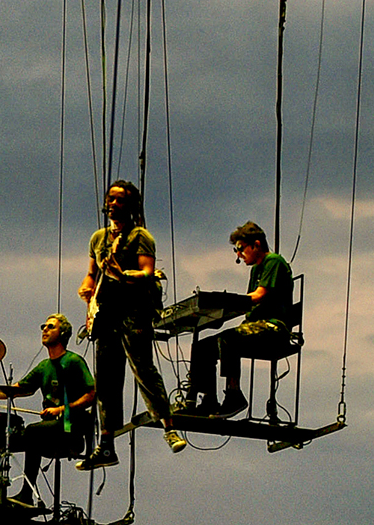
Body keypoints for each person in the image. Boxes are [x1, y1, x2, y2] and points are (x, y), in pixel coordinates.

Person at [78, 179, 181, 458]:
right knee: (107, 380)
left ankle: (169, 427)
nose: (113, 204)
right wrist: (87, 287)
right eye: (110, 199)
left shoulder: (140, 237)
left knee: (143, 369)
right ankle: (107, 443)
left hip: (133, 312)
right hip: (106, 315)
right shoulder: (99, 238)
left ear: (131, 205)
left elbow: (147, 272)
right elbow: (92, 273)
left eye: (119, 200)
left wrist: (123, 275)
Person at [0, 315, 97, 505]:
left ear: (63, 334)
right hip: (49, 429)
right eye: (43, 326)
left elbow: (91, 394)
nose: (44, 329)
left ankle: (27, 495)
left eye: (50, 327)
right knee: (2, 440)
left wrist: (61, 409)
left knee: (33, 432)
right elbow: (16, 391)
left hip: (70, 427)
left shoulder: (74, 361)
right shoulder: (44, 367)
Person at [188, 220, 299, 417]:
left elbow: (258, 296)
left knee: (229, 339)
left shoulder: (273, 261)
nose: (239, 255)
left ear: (256, 245)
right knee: (202, 347)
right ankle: (208, 399)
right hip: (255, 326)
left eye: (240, 249)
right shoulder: (256, 269)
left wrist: (227, 300)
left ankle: (234, 395)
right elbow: (249, 305)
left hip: (273, 327)